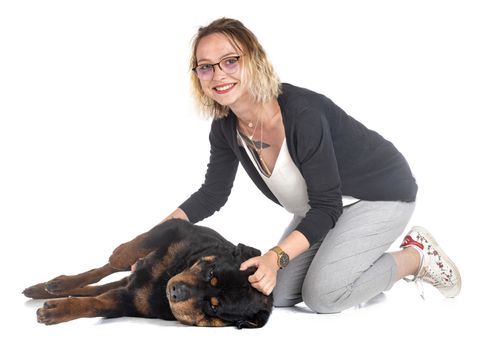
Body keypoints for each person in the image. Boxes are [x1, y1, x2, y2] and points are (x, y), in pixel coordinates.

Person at [161, 18, 461, 313]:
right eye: (205, 67)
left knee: (324, 295)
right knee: (270, 293)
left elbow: (326, 206)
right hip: (322, 208)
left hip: (379, 196)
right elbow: (212, 194)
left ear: (255, 60)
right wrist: (157, 236)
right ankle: (355, 266)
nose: (218, 75)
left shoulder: (303, 114)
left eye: (230, 61)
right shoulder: (225, 129)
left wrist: (274, 257)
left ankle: (415, 257)